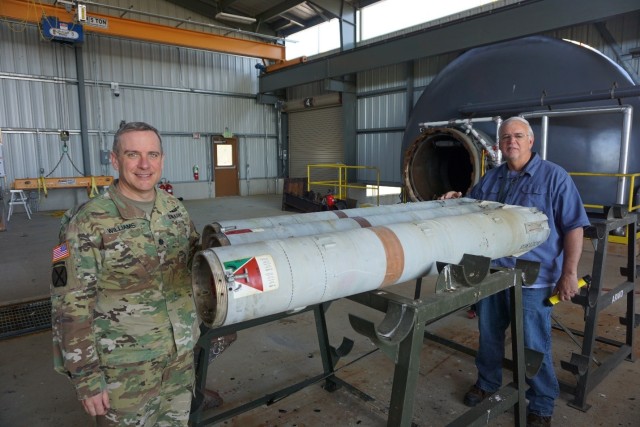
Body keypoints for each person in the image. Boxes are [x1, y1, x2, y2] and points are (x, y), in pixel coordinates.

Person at [441, 116, 590, 427]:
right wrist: (457, 201)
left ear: (530, 141)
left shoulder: (554, 177)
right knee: (490, 335)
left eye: (518, 135)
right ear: (499, 143)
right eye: (506, 136)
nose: (512, 141)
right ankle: (487, 384)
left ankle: (541, 403)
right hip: (494, 273)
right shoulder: (492, 179)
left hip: (534, 280)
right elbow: (474, 212)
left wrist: (569, 273)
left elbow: (575, 227)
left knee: (533, 342)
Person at [50, 122, 200, 426]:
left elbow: (196, 264)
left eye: (152, 154)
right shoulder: (84, 222)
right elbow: (68, 306)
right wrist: (86, 379)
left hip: (179, 361)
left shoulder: (174, 210)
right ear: (115, 160)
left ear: (162, 159)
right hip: (124, 371)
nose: (145, 165)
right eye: (133, 154)